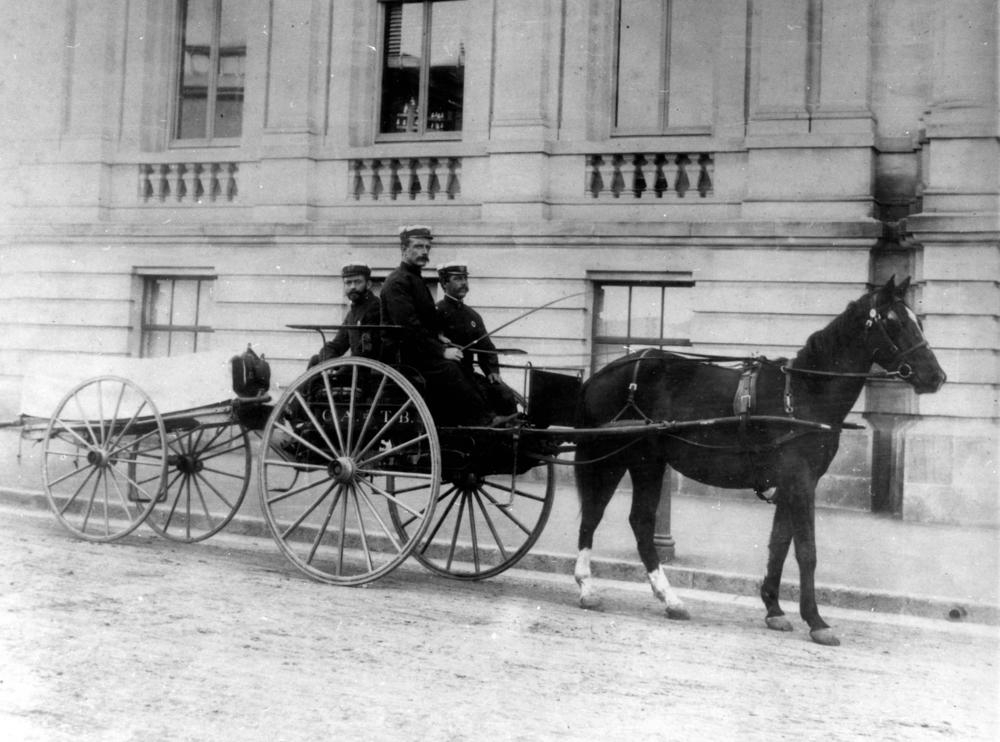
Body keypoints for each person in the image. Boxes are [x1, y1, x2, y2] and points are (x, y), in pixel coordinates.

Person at [380, 225, 504, 427]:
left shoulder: (415, 279)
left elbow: (424, 321)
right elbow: (408, 326)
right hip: (402, 354)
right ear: (404, 249)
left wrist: (439, 337)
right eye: (418, 246)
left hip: (418, 349)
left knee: (461, 365)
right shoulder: (397, 282)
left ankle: (484, 418)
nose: (424, 252)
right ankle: (483, 421)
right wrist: (440, 351)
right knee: (450, 368)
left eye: (427, 247)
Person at [435, 261, 523, 417]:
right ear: (444, 283)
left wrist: (492, 371)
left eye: (465, 279)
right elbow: (430, 342)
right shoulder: (437, 311)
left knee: (504, 394)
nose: (463, 283)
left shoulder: (473, 316)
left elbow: (486, 346)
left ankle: (512, 430)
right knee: (478, 398)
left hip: (468, 374)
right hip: (448, 378)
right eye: (457, 279)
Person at [311, 263, 381, 365]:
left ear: (368, 284)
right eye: (348, 283)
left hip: (368, 368)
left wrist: (338, 368)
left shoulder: (375, 307)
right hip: (355, 363)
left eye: (358, 282)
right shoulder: (352, 313)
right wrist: (327, 359)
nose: (353, 287)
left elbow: (366, 350)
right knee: (315, 360)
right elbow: (338, 344)